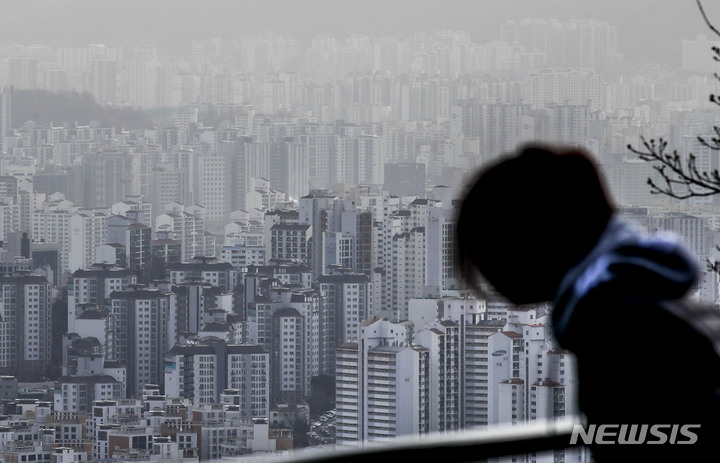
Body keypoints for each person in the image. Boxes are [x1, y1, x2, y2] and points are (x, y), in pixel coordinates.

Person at [456, 144, 720, 461]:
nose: (488, 275)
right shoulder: (635, 297)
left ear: (533, 241)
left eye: (491, 249)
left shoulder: (615, 326)